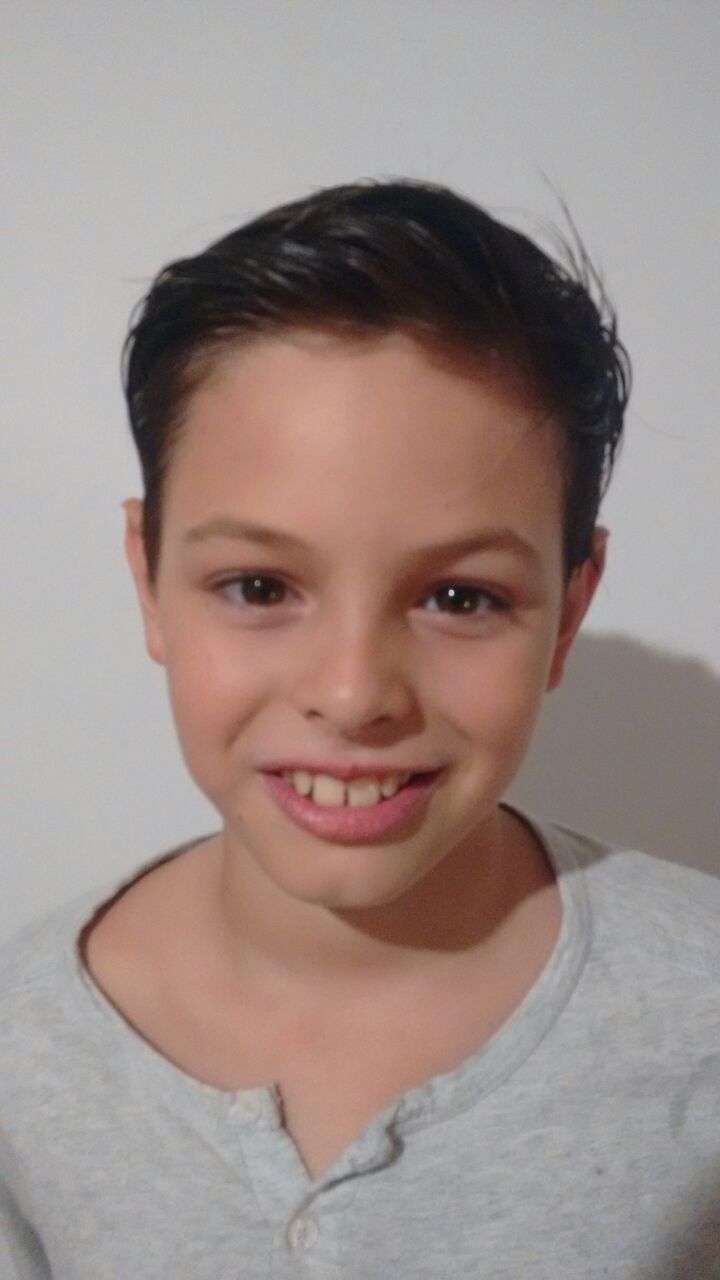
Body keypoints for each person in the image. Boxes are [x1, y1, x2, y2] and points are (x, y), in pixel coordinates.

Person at [1, 179, 718, 1279]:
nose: (352, 694)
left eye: (460, 597)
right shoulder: (25, 1051)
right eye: (257, 585)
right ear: (148, 581)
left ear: (569, 613)